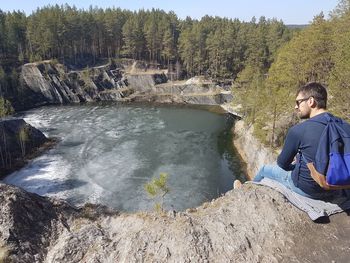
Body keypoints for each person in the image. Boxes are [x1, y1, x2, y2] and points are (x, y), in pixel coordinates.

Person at [251, 82, 348, 199]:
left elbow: (282, 164)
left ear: (311, 101)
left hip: (308, 189)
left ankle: (246, 192)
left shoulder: (299, 130)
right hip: (338, 188)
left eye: (298, 102)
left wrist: (296, 165)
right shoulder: (345, 126)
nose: (296, 107)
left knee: (264, 169)